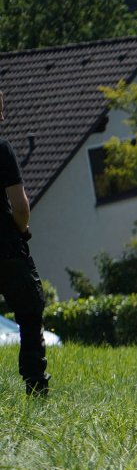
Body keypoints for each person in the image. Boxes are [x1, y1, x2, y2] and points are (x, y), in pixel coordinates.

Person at [0, 90, 48, 396]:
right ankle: (35, 388)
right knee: (30, 314)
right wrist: (21, 228)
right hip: (6, 248)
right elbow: (20, 205)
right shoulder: (2, 149)